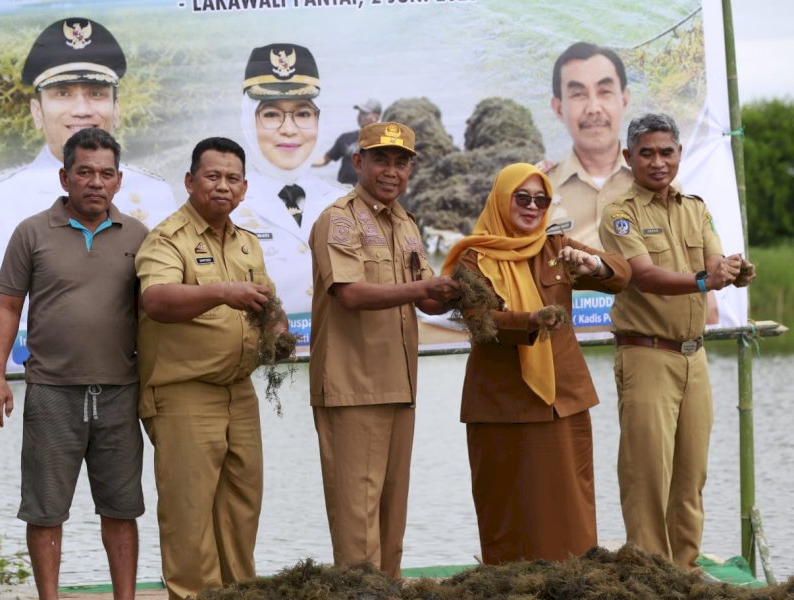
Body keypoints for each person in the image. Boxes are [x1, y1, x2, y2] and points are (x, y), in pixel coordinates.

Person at [441, 163, 630, 564]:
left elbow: (621, 273)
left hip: (562, 400)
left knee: (570, 514)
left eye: (540, 199)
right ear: (500, 200)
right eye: (522, 197)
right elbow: (480, 321)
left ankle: (573, 587)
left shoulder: (556, 247)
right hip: (502, 404)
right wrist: (530, 321)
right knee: (508, 513)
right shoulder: (472, 258)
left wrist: (594, 265)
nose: (532, 206)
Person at [0, 128, 147, 600]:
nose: (95, 182)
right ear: (65, 176)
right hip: (51, 392)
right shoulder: (31, 232)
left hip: (121, 392)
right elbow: (7, 306)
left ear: (119, 180)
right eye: (85, 172)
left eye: (105, 173)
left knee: (121, 509)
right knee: (45, 511)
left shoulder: (140, 236)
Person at [598, 113, 756, 571]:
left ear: (680, 154)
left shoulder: (696, 207)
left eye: (667, 151)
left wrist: (733, 271)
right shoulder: (620, 214)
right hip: (646, 355)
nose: (658, 161)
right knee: (647, 475)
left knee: (690, 476)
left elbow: (713, 261)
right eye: (646, 152)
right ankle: (651, 574)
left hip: (694, 357)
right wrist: (709, 278)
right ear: (628, 158)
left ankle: (686, 571)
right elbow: (645, 277)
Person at [309, 121, 461, 578]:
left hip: (400, 387)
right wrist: (423, 289)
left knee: (392, 521)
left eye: (401, 161)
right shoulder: (338, 218)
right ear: (358, 162)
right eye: (381, 159)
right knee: (358, 528)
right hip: (353, 388)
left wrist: (459, 290)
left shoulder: (406, 223)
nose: (391, 171)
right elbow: (351, 294)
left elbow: (427, 297)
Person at [135, 137, 282, 600]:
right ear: (190, 181)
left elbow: (269, 303)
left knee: (242, 509)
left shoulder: (246, 244)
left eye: (232, 178)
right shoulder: (166, 238)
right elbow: (156, 299)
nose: (223, 186)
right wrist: (222, 292)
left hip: (239, 392)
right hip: (183, 394)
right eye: (212, 176)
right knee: (189, 516)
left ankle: (240, 594)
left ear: (244, 188)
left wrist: (277, 333)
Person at [0, 16, 177, 373]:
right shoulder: (1, 197)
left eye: (96, 93)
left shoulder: (156, 194)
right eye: (63, 93)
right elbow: (6, 304)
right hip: (42, 377)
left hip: (124, 376)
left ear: (116, 108)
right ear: (36, 110)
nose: (82, 108)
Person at [235, 43, 343, 346]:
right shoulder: (226, 206)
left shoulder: (345, 202)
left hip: (336, 363)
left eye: (303, 113)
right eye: (271, 114)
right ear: (248, 121)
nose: (289, 129)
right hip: (257, 368)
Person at [545, 42, 633, 249]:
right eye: (578, 94)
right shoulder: (538, 193)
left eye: (604, 92)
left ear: (625, 100)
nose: (593, 108)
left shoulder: (662, 185)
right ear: (558, 108)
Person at [312, 98, 383, 185]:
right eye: (360, 112)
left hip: (368, 191)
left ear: (376, 116)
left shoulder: (383, 141)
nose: (360, 116)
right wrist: (303, 163)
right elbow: (325, 160)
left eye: (364, 113)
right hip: (344, 190)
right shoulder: (345, 138)